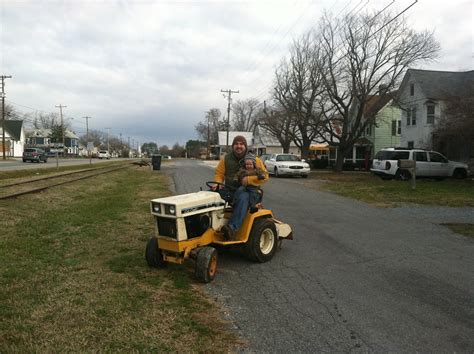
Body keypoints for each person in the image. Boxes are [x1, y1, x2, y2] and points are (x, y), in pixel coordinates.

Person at [213, 136, 269, 240]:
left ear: (245, 146)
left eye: (241, 144)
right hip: (230, 190)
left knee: (243, 197)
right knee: (211, 195)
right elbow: (219, 173)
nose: (239, 146)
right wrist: (218, 183)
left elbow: (265, 176)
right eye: (236, 144)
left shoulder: (254, 159)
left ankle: (231, 228)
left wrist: (249, 180)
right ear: (233, 146)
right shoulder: (226, 158)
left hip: (251, 192)